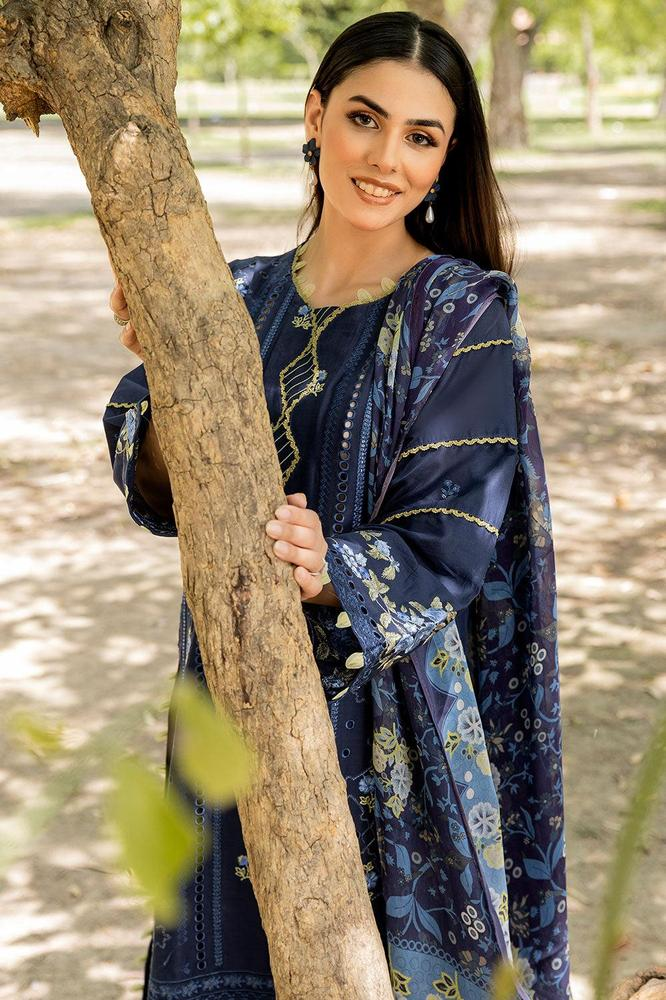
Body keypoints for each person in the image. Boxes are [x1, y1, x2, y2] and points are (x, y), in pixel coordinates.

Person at [103, 11, 570, 1000]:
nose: (386, 157)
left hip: (388, 746)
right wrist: (173, 377)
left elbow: (454, 542)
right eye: (364, 118)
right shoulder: (231, 296)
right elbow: (154, 478)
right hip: (228, 709)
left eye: (421, 136)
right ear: (315, 117)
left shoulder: (462, 313)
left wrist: (333, 566)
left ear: (445, 161)